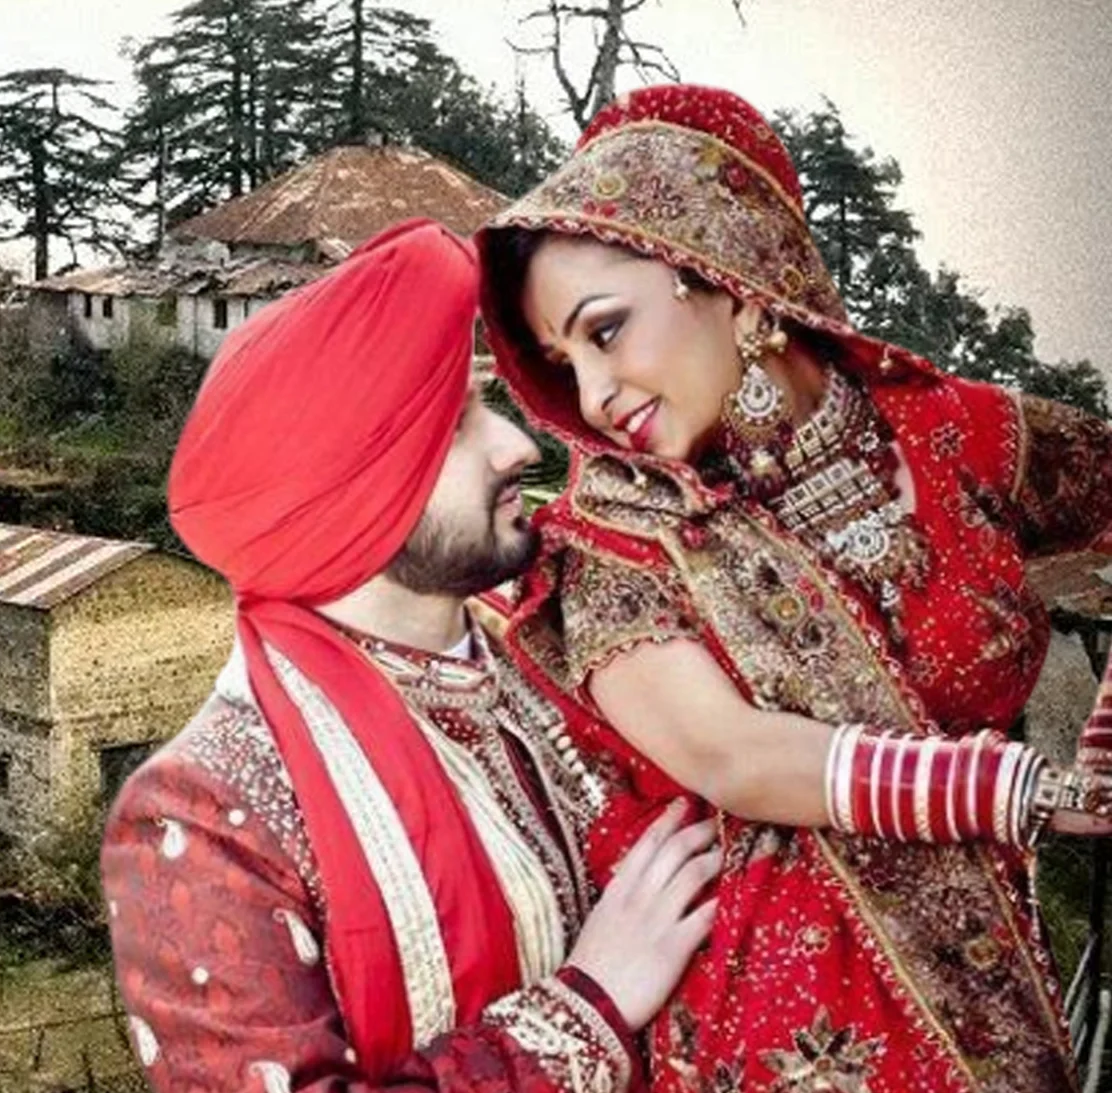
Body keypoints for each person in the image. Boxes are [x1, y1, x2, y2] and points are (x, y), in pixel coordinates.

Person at [475, 83, 1112, 1092]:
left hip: (994, 1023)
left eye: (605, 332)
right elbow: (734, 755)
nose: (591, 396)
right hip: (765, 1043)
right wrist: (1017, 789)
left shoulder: (948, 435)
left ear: (729, 284)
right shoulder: (612, 538)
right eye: (563, 361)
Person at [101, 218, 720, 1093]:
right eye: (458, 425)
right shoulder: (203, 815)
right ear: (359, 491)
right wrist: (589, 1005)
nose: (520, 446)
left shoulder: (566, 649)